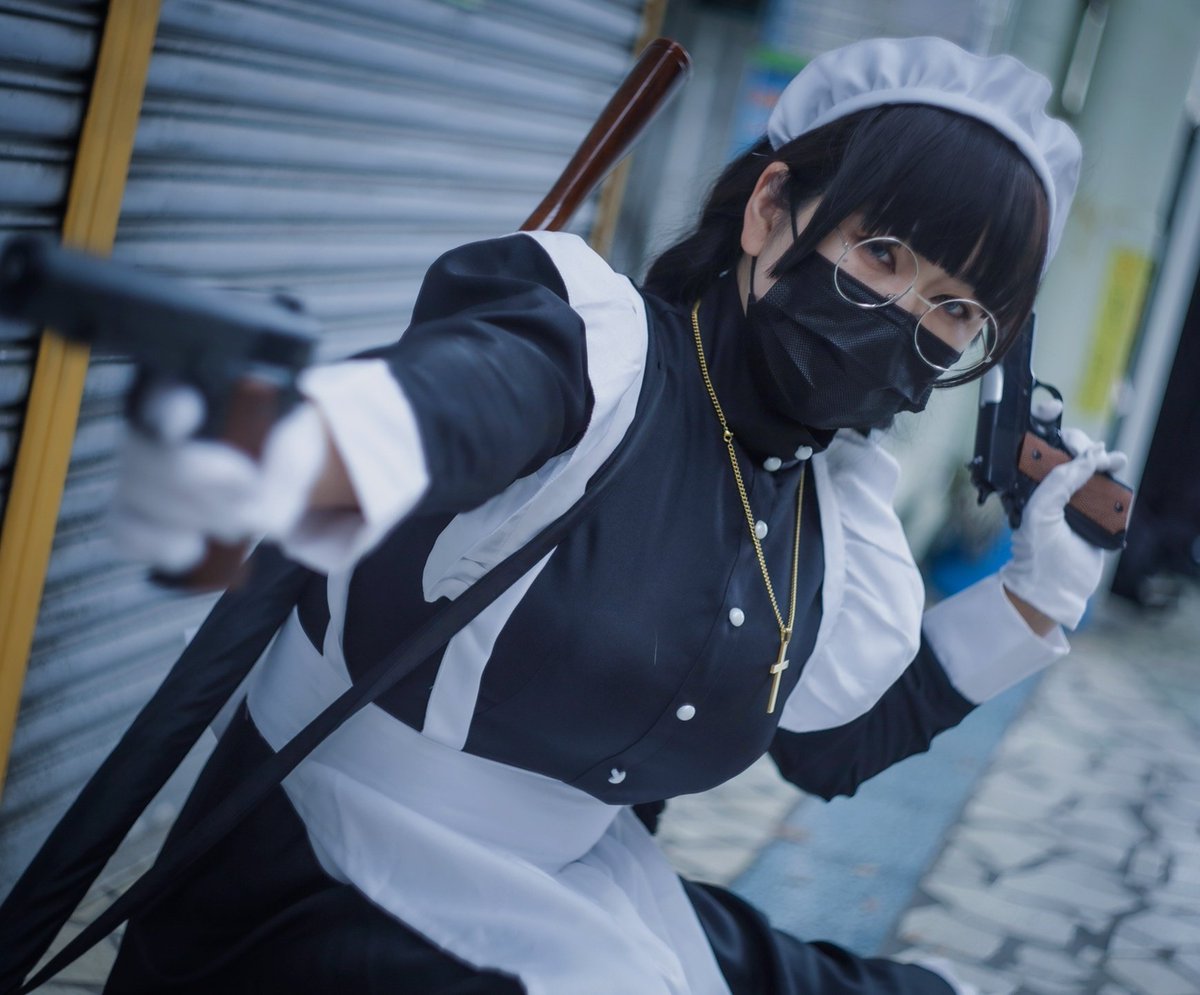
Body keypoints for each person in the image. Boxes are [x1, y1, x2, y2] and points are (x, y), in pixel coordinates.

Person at [97, 35, 1121, 995]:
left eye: (955, 308)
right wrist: (300, 445)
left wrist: (1036, 596)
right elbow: (466, 395)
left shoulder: (833, 509)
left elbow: (829, 749)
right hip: (323, 868)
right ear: (770, 209)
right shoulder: (601, 353)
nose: (905, 317)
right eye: (883, 254)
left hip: (575, 880)